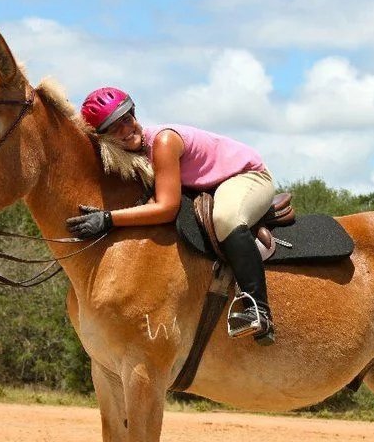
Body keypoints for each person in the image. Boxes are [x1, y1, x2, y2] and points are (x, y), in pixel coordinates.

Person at [67, 87, 276, 345]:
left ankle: (258, 309)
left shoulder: (163, 142)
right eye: (113, 128)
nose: (126, 129)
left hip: (247, 175)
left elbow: (167, 208)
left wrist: (108, 219)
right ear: (102, 138)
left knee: (226, 218)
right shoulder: (137, 155)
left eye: (126, 119)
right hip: (213, 184)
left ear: (134, 114)